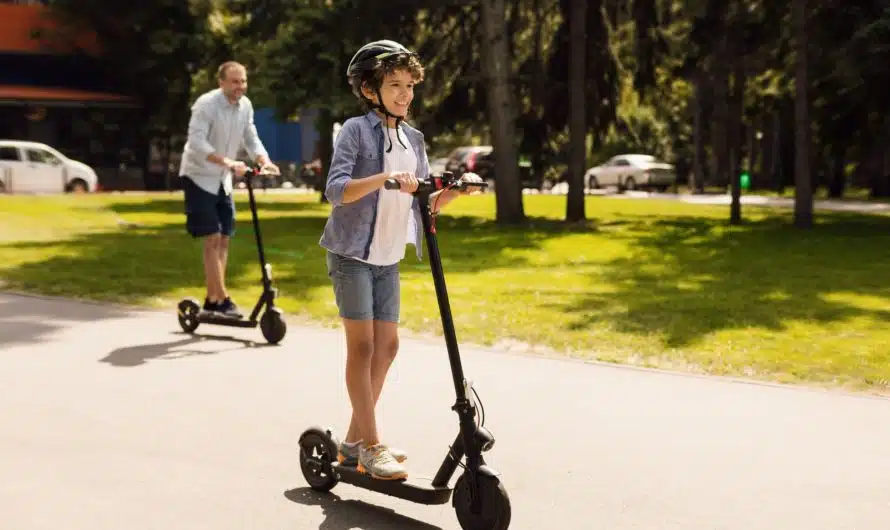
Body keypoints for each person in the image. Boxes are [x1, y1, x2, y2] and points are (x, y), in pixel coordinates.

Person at [318, 40, 482, 481]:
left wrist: (455, 191)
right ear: (371, 89)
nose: (405, 93)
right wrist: (385, 178)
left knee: (388, 348)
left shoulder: (413, 139)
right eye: (394, 84)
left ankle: (352, 444)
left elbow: (422, 202)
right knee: (364, 346)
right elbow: (336, 190)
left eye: (409, 85)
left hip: (388, 256)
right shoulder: (355, 131)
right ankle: (372, 446)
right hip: (352, 253)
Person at [178, 61, 279, 318]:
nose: (240, 87)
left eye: (243, 81)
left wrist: (264, 161)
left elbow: (250, 136)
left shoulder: (245, 106)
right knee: (212, 238)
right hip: (199, 176)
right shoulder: (206, 105)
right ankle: (222, 299)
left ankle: (213, 299)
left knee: (224, 238)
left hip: (223, 178)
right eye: (235, 82)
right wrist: (228, 162)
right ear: (221, 82)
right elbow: (196, 142)